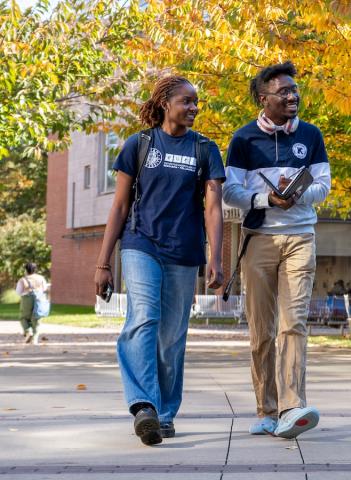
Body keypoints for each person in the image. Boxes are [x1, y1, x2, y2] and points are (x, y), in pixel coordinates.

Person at [94, 76, 226, 446]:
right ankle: (143, 406)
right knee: (144, 317)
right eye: (186, 101)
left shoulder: (205, 149)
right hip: (141, 243)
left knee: (171, 337)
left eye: (196, 102)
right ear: (165, 102)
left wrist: (215, 256)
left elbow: (213, 208)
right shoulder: (140, 144)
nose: (194, 107)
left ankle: (164, 414)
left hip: (184, 250)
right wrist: (102, 262)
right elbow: (119, 205)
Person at [222, 61, 330, 438]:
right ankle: (266, 409)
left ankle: (292, 408)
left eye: (295, 90)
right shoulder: (243, 140)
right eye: (284, 91)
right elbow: (230, 192)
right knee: (262, 330)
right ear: (263, 97)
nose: (293, 96)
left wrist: (297, 193)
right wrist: (267, 199)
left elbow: (324, 185)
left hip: (301, 237)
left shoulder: (311, 136)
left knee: (294, 323)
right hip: (259, 241)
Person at [15, 262, 48, 345]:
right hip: (39, 299)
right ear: (35, 269)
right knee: (36, 319)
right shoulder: (41, 278)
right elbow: (44, 288)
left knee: (24, 317)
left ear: (26, 270)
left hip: (27, 299)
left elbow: (18, 292)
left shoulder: (23, 279)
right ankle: (35, 339)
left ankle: (28, 331)